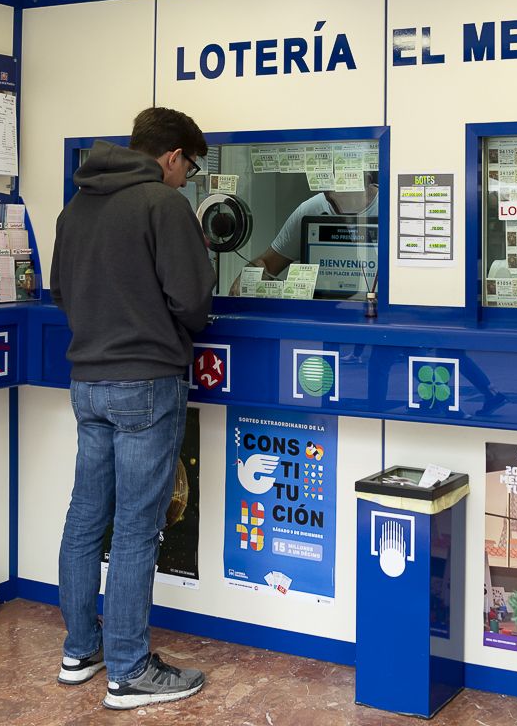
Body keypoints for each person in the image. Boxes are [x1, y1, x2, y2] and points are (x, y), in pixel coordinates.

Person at [50, 107, 214, 711]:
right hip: (146, 381)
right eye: (189, 169)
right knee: (138, 530)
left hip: (88, 381)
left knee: (85, 518)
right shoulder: (163, 205)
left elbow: (61, 292)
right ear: (171, 156)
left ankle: (80, 651)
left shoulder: (76, 206)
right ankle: (129, 669)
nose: (186, 181)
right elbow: (193, 299)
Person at [233, 170, 378, 292]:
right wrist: (247, 279)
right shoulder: (311, 209)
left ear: (367, 179)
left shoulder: (390, 205)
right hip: (321, 312)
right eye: (332, 195)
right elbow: (268, 263)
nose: (339, 202)